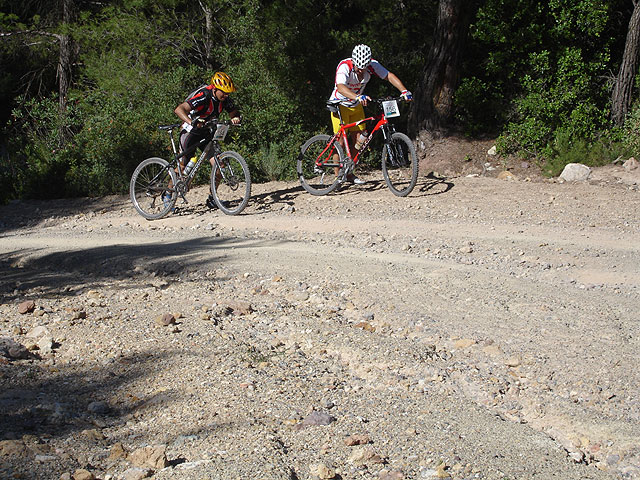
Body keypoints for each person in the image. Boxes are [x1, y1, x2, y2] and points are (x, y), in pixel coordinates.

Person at [329, 44, 412, 184]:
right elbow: (341, 87)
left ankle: (349, 173)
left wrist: (404, 91)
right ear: (354, 62)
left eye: (364, 68)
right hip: (340, 104)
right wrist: (356, 96)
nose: (362, 71)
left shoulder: (372, 65)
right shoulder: (345, 66)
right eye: (359, 68)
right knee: (340, 143)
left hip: (356, 105)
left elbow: (389, 76)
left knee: (359, 141)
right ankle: (338, 177)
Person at [171, 71, 241, 209]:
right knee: (183, 165)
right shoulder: (204, 95)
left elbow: (234, 112)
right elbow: (179, 109)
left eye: (228, 93)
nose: (226, 96)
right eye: (224, 93)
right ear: (215, 89)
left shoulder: (225, 99)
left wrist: (235, 118)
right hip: (191, 132)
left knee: (219, 165)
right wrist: (191, 122)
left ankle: (212, 198)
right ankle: (168, 195)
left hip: (206, 132)